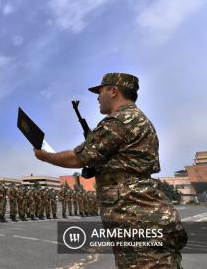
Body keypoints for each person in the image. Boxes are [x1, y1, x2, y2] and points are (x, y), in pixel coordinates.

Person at [34, 73, 187, 268]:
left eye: (101, 91)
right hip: (144, 215)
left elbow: (79, 157)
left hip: (138, 219)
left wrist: (46, 156)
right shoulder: (137, 119)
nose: (98, 97)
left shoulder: (119, 120)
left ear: (114, 91)